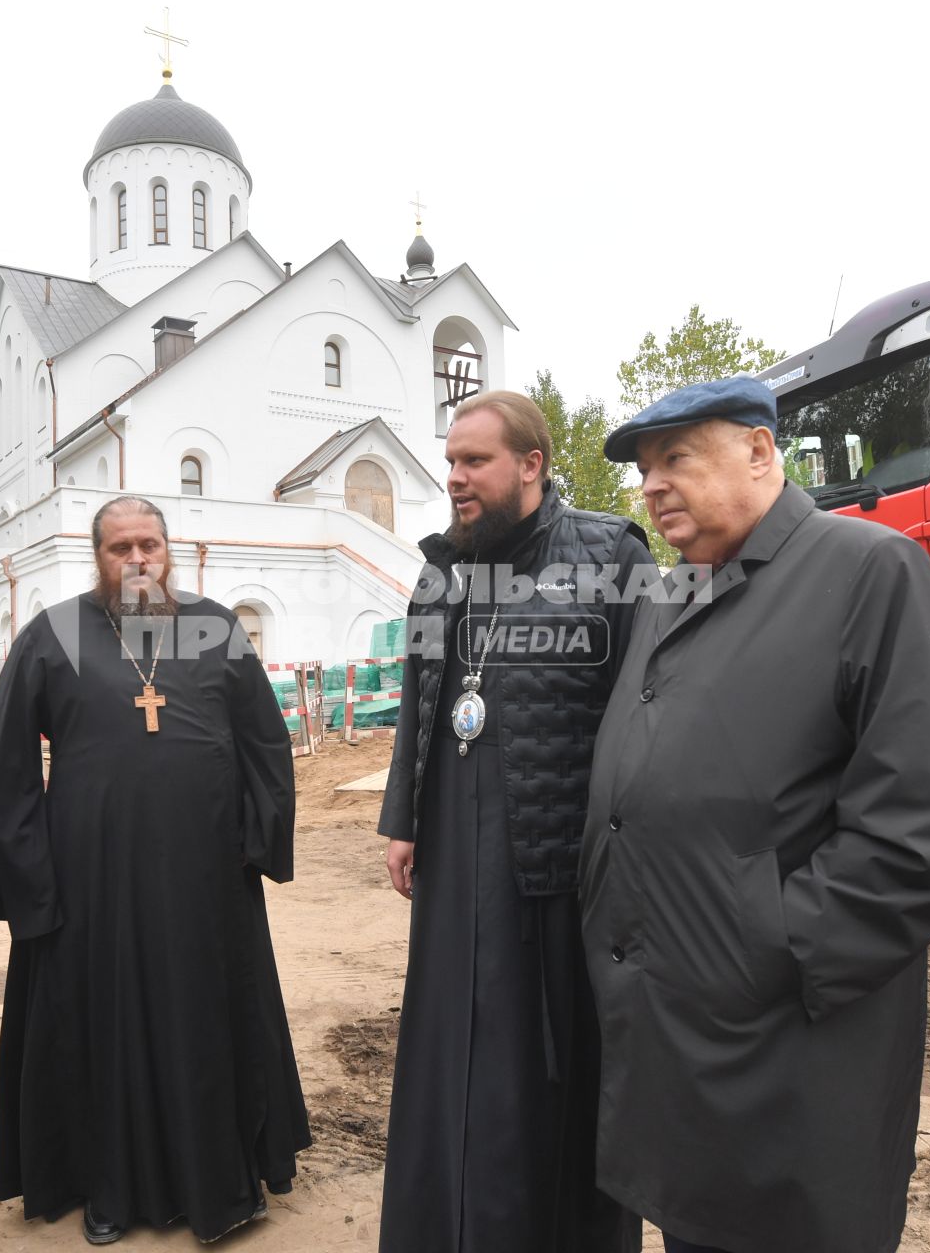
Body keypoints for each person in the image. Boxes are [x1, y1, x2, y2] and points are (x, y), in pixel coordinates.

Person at [579, 377, 930, 1253]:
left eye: (676, 459)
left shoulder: (868, 570)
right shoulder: (672, 590)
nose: (651, 486)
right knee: (697, 1223)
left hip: (792, 1032)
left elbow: (921, 829)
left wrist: (771, 945)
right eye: (644, 470)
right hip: (676, 1019)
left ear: (760, 452)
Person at [0, 494, 310, 1246]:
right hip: (92, 885)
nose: (137, 560)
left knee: (207, 1018)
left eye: (149, 545)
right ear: (95, 556)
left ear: (169, 549)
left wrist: (258, 843)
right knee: (105, 1024)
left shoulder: (213, 623)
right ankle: (109, 1183)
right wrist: (30, 880)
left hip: (206, 881)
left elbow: (265, 739)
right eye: (119, 547)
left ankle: (222, 1178)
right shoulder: (54, 632)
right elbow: (3, 769)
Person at [377, 391, 653, 1253]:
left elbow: (646, 712)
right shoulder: (443, 568)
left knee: (534, 1070)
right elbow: (421, 703)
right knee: (447, 1047)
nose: (455, 478)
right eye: (451, 462)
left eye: (474, 462)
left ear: (530, 465)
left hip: (551, 860)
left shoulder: (610, 552)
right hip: (453, 853)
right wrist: (401, 819)